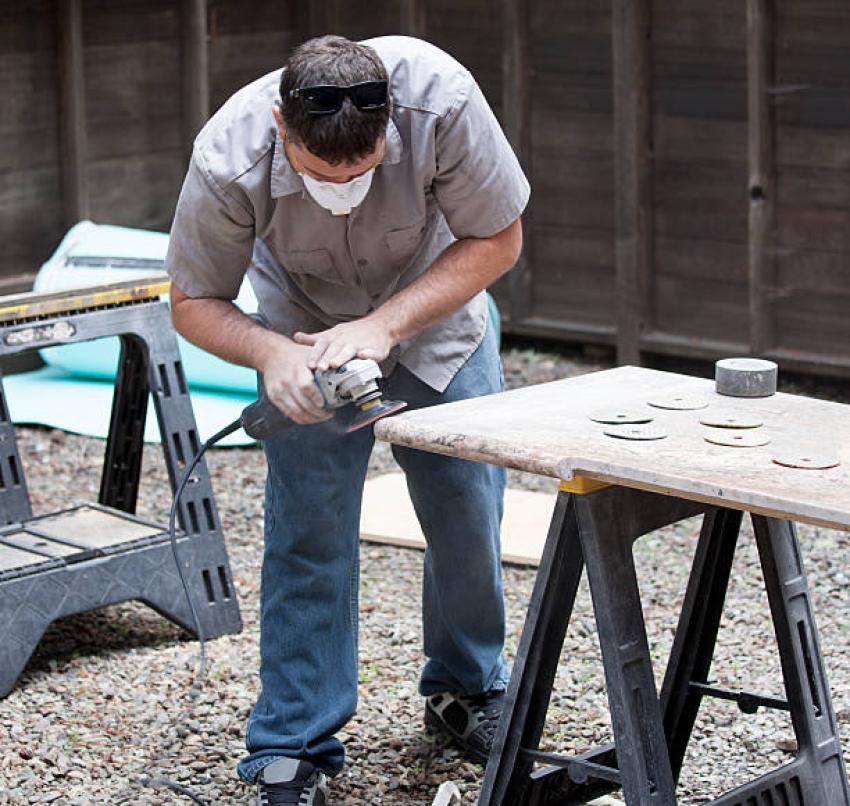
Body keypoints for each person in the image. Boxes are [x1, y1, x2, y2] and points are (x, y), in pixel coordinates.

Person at [165, 33, 529, 806]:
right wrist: (268, 355)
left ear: (392, 125)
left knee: (468, 512)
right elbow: (193, 302)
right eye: (320, 175)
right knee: (308, 532)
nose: (344, 191)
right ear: (279, 125)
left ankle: (468, 690)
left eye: (361, 174)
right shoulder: (226, 155)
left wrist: (386, 327)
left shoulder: (446, 100)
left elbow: (498, 237)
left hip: (439, 326)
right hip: (303, 341)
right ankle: (293, 740)